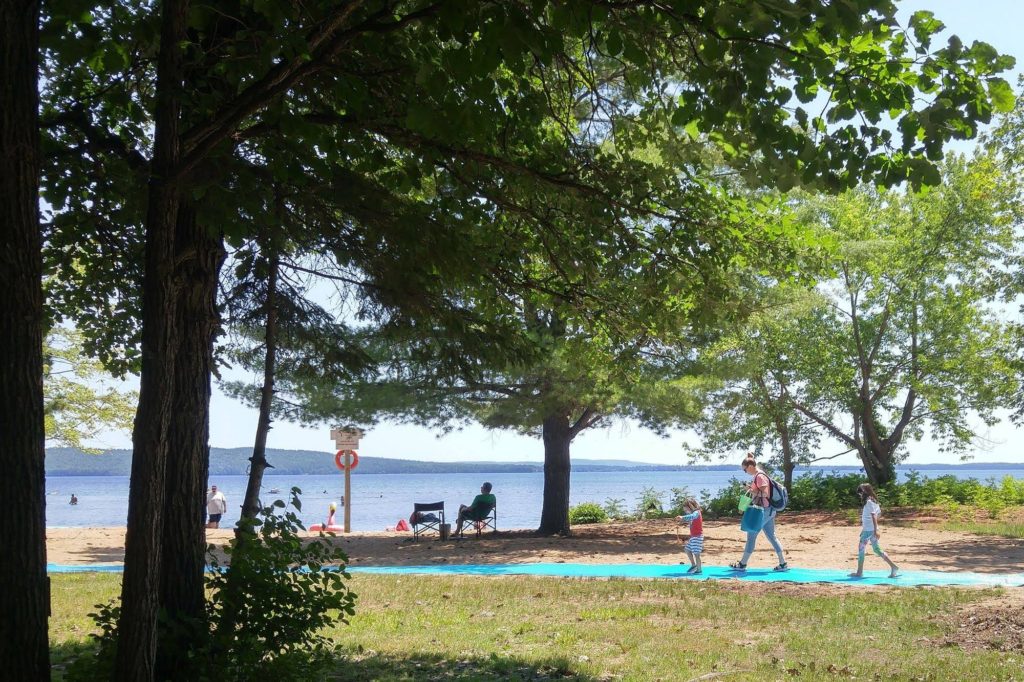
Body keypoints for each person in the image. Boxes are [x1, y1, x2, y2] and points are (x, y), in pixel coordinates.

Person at [730, 454, 788, 572]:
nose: (745, 472)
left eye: (745, 469)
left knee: (751, 535)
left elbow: (765, 494)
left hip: (764, 510)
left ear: (750, 466)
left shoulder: (759, 476)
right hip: (769, 510)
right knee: (771, 536)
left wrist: (751, 491)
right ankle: (783, 563)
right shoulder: (759, 474)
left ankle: (742, 564)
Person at [850, 483, 900, 579]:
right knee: (877, 549)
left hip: (870, 530)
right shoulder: (874, 502)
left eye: (860, 493)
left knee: (861, 549)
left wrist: (875, 529)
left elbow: (874, 515)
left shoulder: (869, 502)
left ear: (864, 492)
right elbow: (878, 515)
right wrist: (868, 529)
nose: (860, 495)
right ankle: (893, 567)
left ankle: (859, 572)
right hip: (869, 530)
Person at [675, 497, 704, 574]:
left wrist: (682, 517)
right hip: (694, 537)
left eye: (686, 510)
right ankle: (694, 565)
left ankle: (699, 569)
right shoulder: (693, 513)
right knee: (687, 549)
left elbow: (692, 516)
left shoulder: (696, 513)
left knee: (696, 554)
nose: (686, 512)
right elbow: (690, 518)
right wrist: (681, 520)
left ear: (691, 507)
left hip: (697, 537)